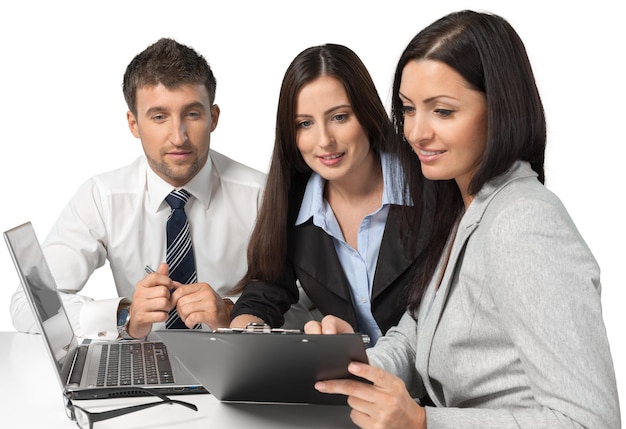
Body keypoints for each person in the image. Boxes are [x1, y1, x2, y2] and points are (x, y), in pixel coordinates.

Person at [304, 10, 621, 428]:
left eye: (443, 112)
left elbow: (590, 421)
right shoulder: (465, 207)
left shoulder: (524, 223)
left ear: (500, 109)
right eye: (409, 109)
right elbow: (420, 332)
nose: (416, 133)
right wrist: (351, 367)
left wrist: (422, 422)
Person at [10, 38, 265, 340]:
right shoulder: (103, 197)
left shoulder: (261, 195)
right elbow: (28, 303)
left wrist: (233, 314)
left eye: (192, 114)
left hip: (237, 367)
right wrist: (122, 315)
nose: (178, 137)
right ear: (133, 124)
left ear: (214, 118)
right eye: (159, 117)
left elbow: (308, 306)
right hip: (141, 362)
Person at [229, 44, 431, 345]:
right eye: (305, 124)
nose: (324, 140)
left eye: (339, 117)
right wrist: (243, 339)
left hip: (431, 385)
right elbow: (264, 292)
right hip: (348, 383)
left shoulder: (429, 184)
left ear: (366, 114)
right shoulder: (294, 201)